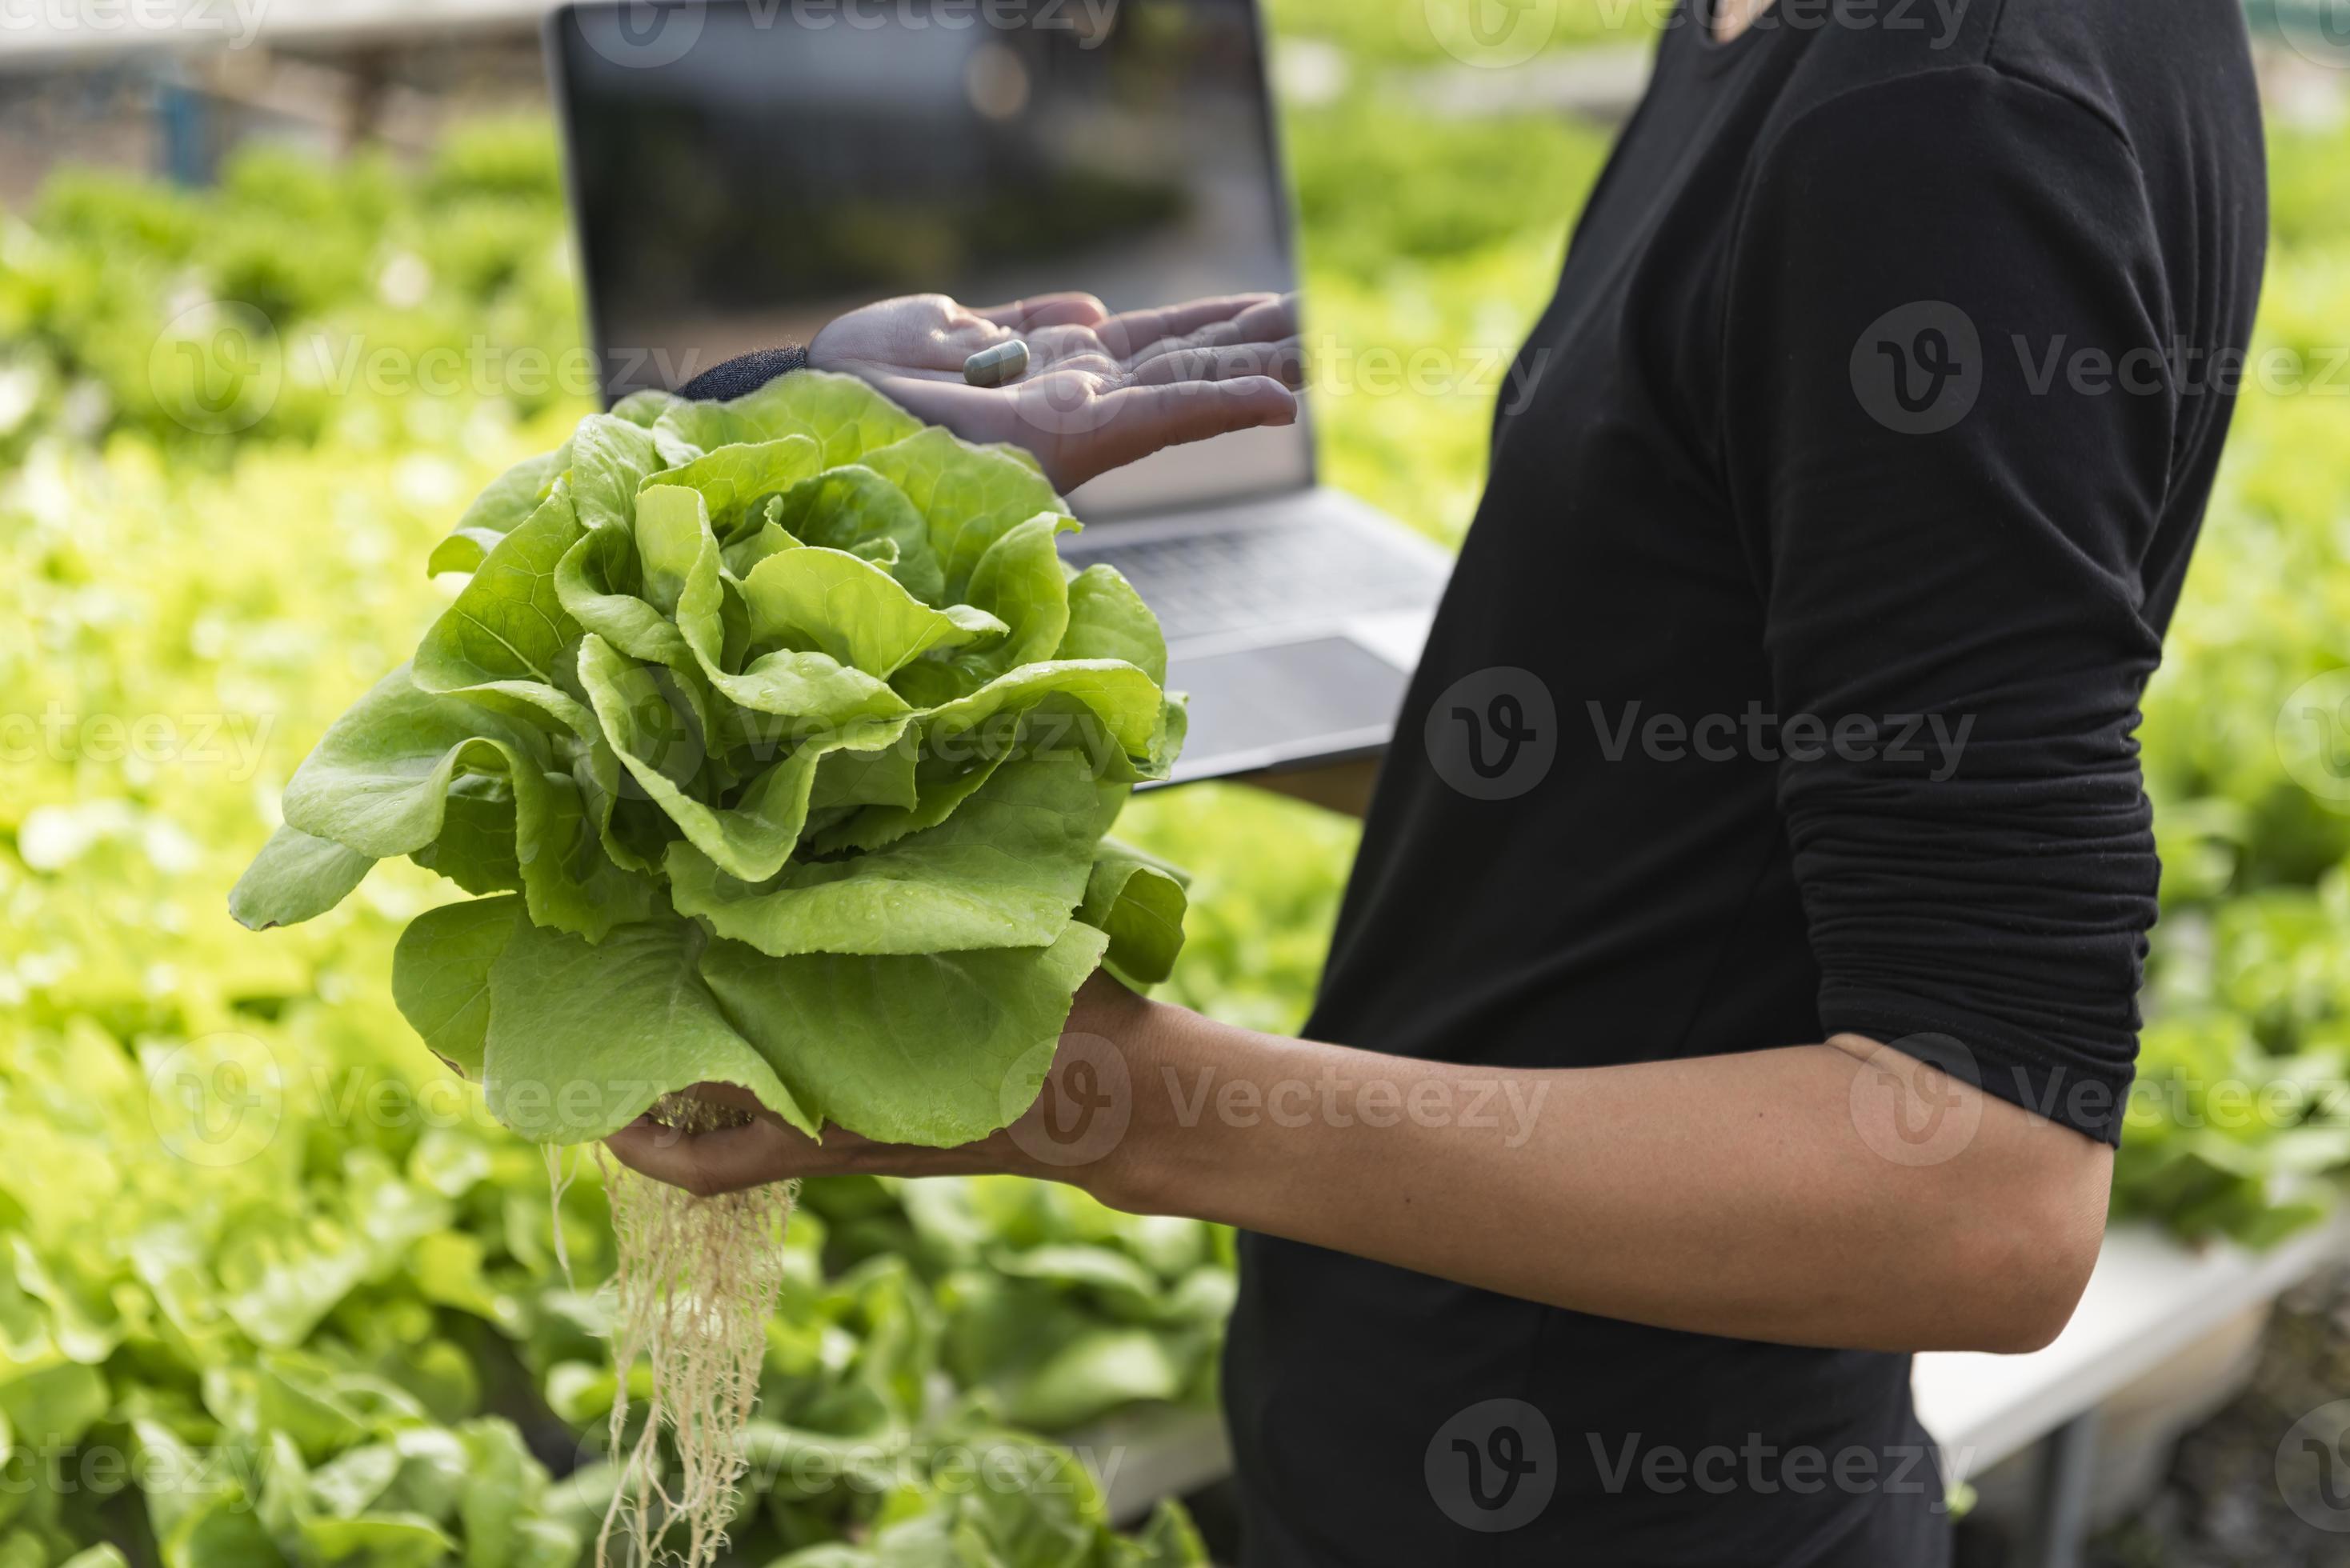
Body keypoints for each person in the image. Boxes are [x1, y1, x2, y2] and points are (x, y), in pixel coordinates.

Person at [609, 0, 2269, 1559]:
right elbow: (1715, 752)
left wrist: (1081, 1096)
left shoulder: (1941, 128)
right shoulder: (1795, 40)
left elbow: (1984, 1188)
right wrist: (1029, 671)